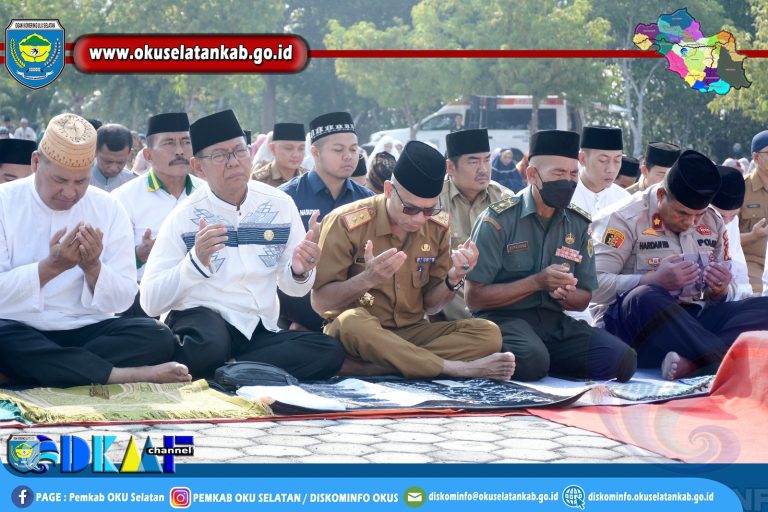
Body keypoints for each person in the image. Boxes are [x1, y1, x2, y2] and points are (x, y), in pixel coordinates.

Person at [140, 109, 345, 380]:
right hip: (203, 322)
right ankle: (235, 365)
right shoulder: (183, 217)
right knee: (208, 346)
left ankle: (233, 366)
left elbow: (294, 289)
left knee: (329, 351)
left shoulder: (280, 205)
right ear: (198, 167)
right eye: (220, 156)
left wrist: (299, 270)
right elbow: (150, 302)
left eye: (239, 151)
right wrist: (194, 262)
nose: (233, 162)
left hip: (258, 326)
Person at [0, 113, 189, 387]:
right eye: (60, 180)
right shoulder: (4, 202)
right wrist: (50, 268)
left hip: (87, 329)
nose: (70, 193)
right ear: (36, 162)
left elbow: (123, 300)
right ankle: (120, 375)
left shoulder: (108, 208)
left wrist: (93, 268)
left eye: (81, 182)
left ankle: (25, 371)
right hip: (17, 327)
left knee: (158, 336)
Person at [313, 140, 515, 380]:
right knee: (351, 321)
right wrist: (367, 279)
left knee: (488, 334)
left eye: (429, 210)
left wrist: (454, 279)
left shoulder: (437, 226)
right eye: (410, 209)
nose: (419, 219)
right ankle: (453, 368)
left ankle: (377, 367)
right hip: (361, 334)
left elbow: (431, 306)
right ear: (389, 190)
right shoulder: (346, 222)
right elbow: (321, 303)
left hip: (411, 331)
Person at [465, 130, 636, 382]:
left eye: (573, 174)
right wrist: (537, 282)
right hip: (503, 319)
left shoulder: (577, 223)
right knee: (532, 360)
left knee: (623, 360)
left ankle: (546, 359)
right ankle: (535, 360)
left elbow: (584, 298)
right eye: (558, 174)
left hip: (554, 322)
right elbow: (473, 298)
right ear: (532, 175)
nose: (567, 181)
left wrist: (564, 292)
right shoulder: (498, 220)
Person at [591, 150, 768, 380]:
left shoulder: (713, 220)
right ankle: (722, 361)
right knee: (644, 296)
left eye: (698, 215)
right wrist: (653, 280)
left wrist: (721, 290)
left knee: (762, 307)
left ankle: (694, 363)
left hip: (692, 323)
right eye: (682, 213)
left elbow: (728, 287)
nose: (690, 222)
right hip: (638, 331)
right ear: (662, 195)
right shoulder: (624, 218)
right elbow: (592, 286)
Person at [278, 112, 374, 332]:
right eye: (338, 150)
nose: (348, 157)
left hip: (351, 304)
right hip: (298, 304)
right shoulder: (286, 198)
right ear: (315, 153)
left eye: (353, 150)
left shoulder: (367, 201)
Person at [113, 112, 201, 317]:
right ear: (148, 155)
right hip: (142, 298)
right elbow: (109, 263)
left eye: (186, 142)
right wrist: (139, 254)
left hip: (198, 296)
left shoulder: (207, 193)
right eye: (169, 143)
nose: (179, 151)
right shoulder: (123, 198)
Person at [438, 129, 511, 320]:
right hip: (450, 296)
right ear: (450, 167)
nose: (484, 169)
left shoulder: (505, 200)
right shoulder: (434, 202)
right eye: (473, 162)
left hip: (497, 296)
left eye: (487, 160)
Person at [710, 165, 753, 300]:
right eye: (721, 216)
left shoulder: (732, 222)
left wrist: (744, 294)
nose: (727, 222)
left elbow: (738, 268)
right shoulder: (693, 217)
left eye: (733, 215)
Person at [571, 126, 630, 218]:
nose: (611, 169)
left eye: (617, 161)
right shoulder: (565, 197)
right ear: (583, 159)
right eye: (603, 160)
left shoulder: (624, 200)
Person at [739, 130, 768, 292]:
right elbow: (724, 239)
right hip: (751, 264)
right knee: (757, 294)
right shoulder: (741, 189)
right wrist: (753, 236)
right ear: (756, 157)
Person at [251, 123, 309, 187]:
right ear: (273, 148)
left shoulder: (308, 178)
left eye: (301, 148)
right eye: (289, 148)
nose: (296, 155)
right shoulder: (259, 180)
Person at [90, 123, 138, 192]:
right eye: (108, 161)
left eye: (120, 162)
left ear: (129, 154)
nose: (113, 168)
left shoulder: (134, 183)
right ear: (94, 151)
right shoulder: (78, 179)